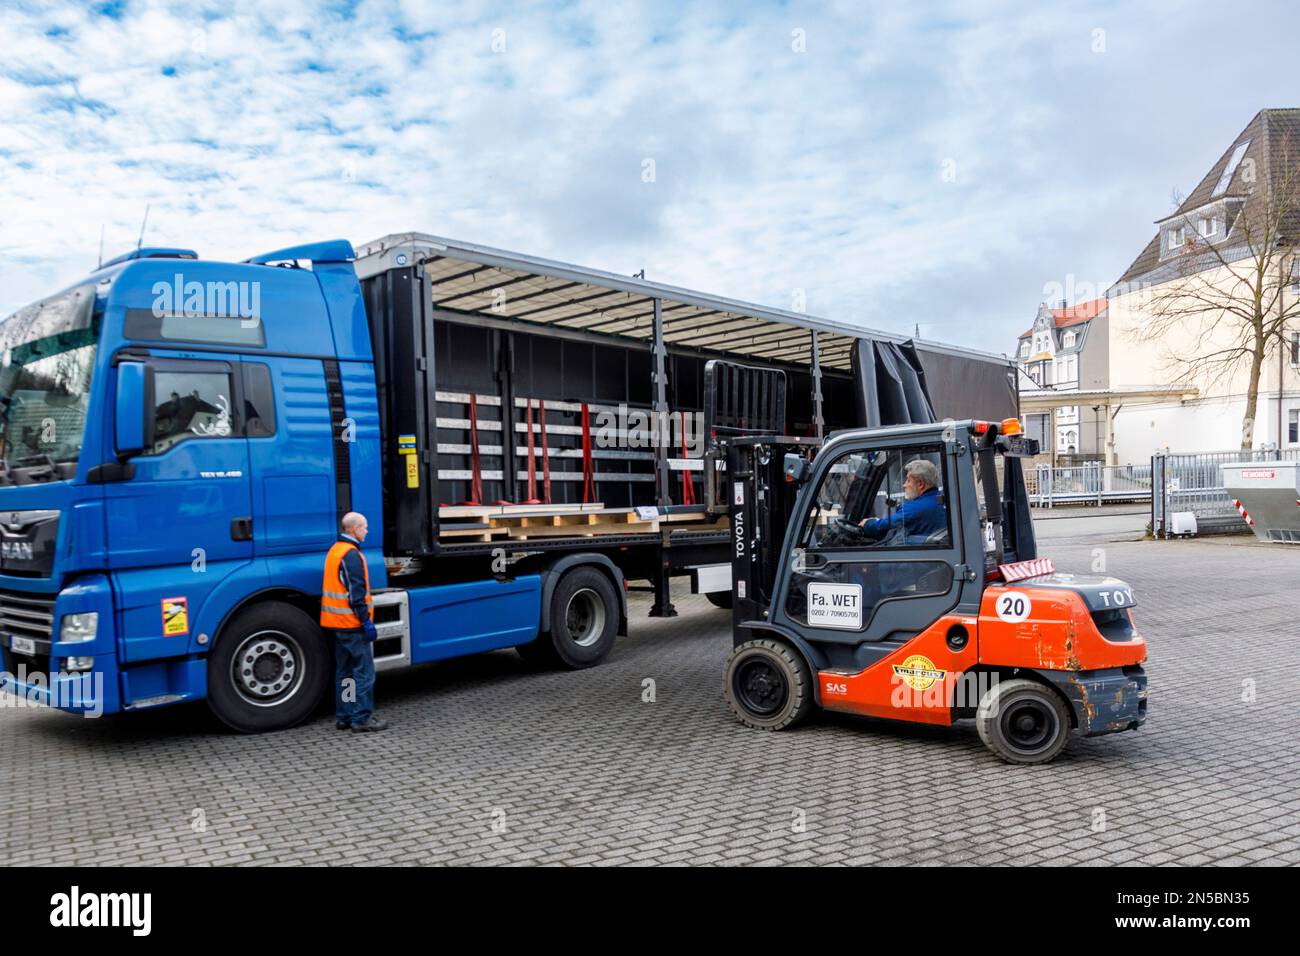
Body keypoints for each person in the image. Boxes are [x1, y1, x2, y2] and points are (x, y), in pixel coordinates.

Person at [320, 512, 388, 733]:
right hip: (352, 625)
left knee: (345, 673)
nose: (367, 531)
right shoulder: (351, 555)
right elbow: (355, 594)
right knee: (363, 673)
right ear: (354, 529)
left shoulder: (334, 551)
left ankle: (345, 716)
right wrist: (366, 622)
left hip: (337, 623)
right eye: (364, 527)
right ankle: (361, 719)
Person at [859, 459, 947, 543]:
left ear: (920, 484)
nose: (904, 485)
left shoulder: (916, 508)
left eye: (908, 481)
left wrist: (868, 524)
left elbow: (887, 525)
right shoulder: (940, 501)